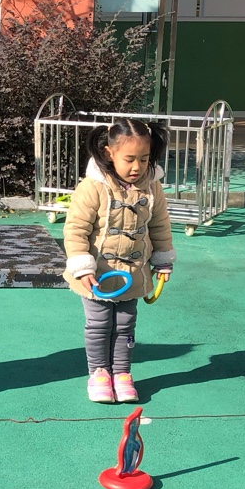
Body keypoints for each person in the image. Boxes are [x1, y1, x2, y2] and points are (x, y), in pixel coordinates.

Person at [62, 119, 175, 403]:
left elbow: (160, 225)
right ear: (109, 152)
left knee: (125, 324)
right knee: (99, 324)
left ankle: (122, 373)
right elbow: (76, 229)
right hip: (97, 275)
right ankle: (99, 373)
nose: (137, 166)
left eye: (144, 159)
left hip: (132, 271)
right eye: (129, 159)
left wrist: (163, 259)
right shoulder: (94, 186)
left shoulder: (152, 187)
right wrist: (82, 267)